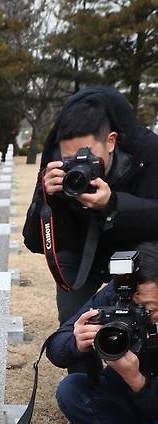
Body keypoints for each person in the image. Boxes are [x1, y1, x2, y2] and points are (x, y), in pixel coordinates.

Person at [23, 86, 158, 322]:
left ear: (111, 141)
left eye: (86, 155)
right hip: (80, 246)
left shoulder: (146, 150)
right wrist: (50, 198)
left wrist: (112, 204)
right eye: (69, 159)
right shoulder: (55, 161)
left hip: (136, 244)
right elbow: (34, 241)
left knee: (141, 317)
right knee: (71, 326)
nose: (77, 164)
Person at [47, 241, 158, 424]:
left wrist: (138, 381)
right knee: (72, 389)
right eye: (132, 307)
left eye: (149, 310)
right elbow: (56, 348)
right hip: (125, 396)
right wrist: (74, 342)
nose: (138, 315)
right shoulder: (118, 291)